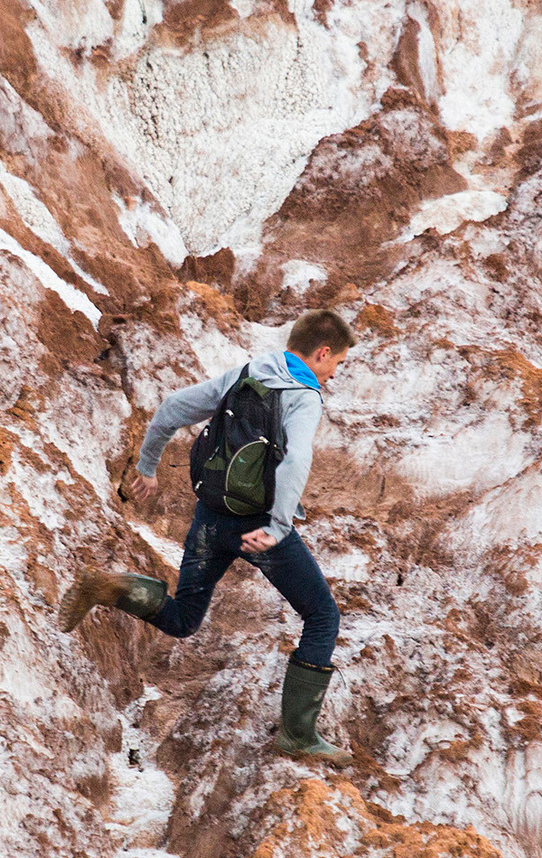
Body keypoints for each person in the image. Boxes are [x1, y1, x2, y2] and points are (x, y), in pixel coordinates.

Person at [58, 309, 357, 764]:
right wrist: (278, 526)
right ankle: (298, 735)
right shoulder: (304, 396)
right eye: (338, 362)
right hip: (255, 524)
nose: (335, 373)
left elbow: (172, 408)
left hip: (210, 517)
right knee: (322, 617)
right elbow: (296, 461)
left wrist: (147, 466)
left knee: (183, 618)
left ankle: (110, 585)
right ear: (321, 353)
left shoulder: (248, 371)